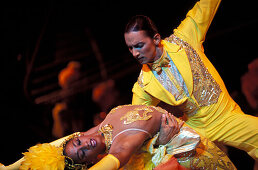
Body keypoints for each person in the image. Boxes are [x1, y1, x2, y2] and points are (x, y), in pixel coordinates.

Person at [123, 0, 258, 162]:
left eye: (139, 45)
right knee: (167, 162)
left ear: (156, 39)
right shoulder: (143, 85)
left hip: (224, 116)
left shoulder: (184, 38)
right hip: (195, 130)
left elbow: (206, 6)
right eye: (130, 48)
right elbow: (135, 124)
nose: (135, 54)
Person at [2, 105, 235, 169]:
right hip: (195, 157)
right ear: (93, 162)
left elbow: (53, 146)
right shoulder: (119, 151)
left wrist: (11, 168)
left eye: (78, 142)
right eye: (83, 152)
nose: (84, 143)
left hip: (201, 141)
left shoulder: (94, 131)